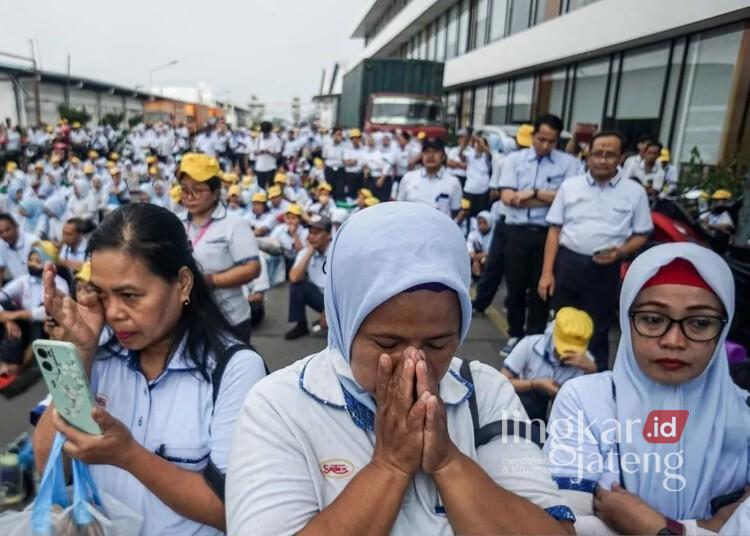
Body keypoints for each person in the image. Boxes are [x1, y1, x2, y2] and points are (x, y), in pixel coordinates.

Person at [226, 202, 575, 535]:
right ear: (344, 323)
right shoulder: (279, 406)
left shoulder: (485, 392)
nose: (414, 362)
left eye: (438, 344)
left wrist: (449, 462)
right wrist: (389, 466)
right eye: (387, 343)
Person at [33, 203, 267, 535]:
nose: (114, 313)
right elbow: (47, 464)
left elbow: (232, 509)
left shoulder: (234, 370)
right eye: (102, 294)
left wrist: (128, 455)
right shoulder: (97, 357)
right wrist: (79, 355)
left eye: (130, 295)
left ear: (183, 284)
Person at [543, 243, 750, 535]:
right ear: (627, 321)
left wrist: (654, 528)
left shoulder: (745, 416)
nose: (674, 341)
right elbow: (561, 526)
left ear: (723, 330)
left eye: (700, 323)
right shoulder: (586, 399)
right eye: (653, 319)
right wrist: (707, 527)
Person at [539, 131, 653, 371]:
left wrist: (621, 252)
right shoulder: (570, 187)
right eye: (597, 153)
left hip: (605, 267)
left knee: (598, 327)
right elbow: (554, 232)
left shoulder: (634, 192)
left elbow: (642, 234)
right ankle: (557, 377)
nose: (602, 160)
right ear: (587, 155)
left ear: (621, 157)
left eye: (610, 155)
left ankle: (596, 380)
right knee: (562, 321)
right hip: (568, 263)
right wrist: (547, 273)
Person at [497, 114, 579, 358]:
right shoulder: (514, 161)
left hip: (548, 234)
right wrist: (548, 197)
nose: (545, 145)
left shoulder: (569, 164)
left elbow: (568, 198)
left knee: (542, 288)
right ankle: (515, 334)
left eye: (551, 141)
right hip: (516, 232)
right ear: (533, 136)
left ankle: (534, 338)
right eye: (541, 139)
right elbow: (508, 198)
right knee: (515, 286)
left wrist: (531, 193)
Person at [178, 153, 261, 343]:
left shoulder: (234, 224)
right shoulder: (177, 223)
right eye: (184, 190)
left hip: (228, 318)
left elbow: (251, 268)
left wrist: (209, 281)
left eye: (197, 190)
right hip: (187, 318)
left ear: (216, 192)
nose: (189, 196)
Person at [500, 307, 595, 422]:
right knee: (528, 402)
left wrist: (592, 371)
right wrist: (535, 384)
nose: (569, 353)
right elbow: (502, 382)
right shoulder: (529, 344)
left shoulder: (587, 361)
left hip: (563, 410)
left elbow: (589, 404)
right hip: (528, 404)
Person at [0, 241, 69, 377]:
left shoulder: (60, 283)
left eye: (37, 261)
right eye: (30, 260)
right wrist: (8, 320)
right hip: (25, 323)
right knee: (6, 310)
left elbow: (49, 312)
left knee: (43, 318)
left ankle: (19, 370)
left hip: (45, 326)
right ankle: (6, 363)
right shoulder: (24, 280)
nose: (31, 264)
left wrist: (15, 316)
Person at [282, 215, 332, 341]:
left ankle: (335, 321)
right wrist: (310, 251)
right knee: (297, 284)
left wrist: (330, 310)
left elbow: (346, 287)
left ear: (328, 234)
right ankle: (301, 325)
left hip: (338, 299)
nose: (311, 236)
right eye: (310, 232)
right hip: (320, 296)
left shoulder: (337, 251)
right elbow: (293, 277)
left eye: (316, 233)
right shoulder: (306, 252)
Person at [397, 138, 462, 217]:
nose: (430, 155)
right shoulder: (408, 178)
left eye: (435, 151)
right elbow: (399, 207)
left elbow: (455, 211)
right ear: (421, 156)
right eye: (427, 152)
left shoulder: (453, 182)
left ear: (443, 157)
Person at [0, 213, 39, 286]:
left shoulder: (33, 241)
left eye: (8, 230)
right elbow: (0, 271)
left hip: (37, 285)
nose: (5, 234)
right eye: (1, 232)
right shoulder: (2, 244)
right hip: (19, 287)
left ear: (16, 226)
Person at [254, 121, 282, 189]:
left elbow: (278, 156)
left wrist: (269, 152)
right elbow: (255, 152)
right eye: (264, 132)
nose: (265, 134)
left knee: (271, 188)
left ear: (270, 130)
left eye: (266, 132)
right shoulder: (258, 139)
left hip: (271, 168)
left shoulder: (276, 140)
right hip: (259, 168)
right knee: (260, 188)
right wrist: (260, 152)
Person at [466, 210, 493, 278]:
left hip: (488, 257)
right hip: (477, 256)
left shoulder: (494, 235)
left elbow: (490, 252)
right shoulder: (473, 233)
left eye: (484, 223)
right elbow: (469, 248)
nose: (482, 225)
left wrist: (476, 258)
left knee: (485, 260)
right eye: (479, 223)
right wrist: (474, 258)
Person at [323, 127, 346, 200]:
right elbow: (324, 158)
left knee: (339, 190)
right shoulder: (327, 146)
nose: (339, 136)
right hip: (330, 169)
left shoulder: (344, 146)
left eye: (340, 135)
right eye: (337, 134)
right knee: (329, 189)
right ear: (333, 135)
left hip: (340, 170)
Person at [343, 129, 365, 199]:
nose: (355, 140)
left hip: (360, 174)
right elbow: (346, 163)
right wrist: (355, 162)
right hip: (350, 175)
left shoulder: (364, 149)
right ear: (351, 139)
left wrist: (354, 161)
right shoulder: (347, 149)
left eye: (357, 138)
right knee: (350, 193)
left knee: (361, 194)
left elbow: (364, 162)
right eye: (354, 138)